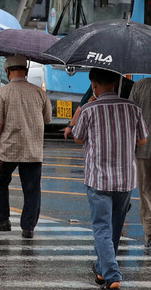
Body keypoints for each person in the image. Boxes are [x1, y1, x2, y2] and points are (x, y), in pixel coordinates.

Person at [72, 68, 148, 289]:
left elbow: (78, 138)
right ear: (116, 82)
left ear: (94, 84)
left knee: (102, 229)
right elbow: (143, 141)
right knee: (114, 227)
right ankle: (102, 269)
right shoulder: (133, 108)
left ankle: (112, 275)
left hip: (99, 179)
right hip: (125, 180)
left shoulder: (89, 109)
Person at [0, 55, 51, 238]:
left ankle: (2, 220)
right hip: (33, 149)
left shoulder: (3, 93)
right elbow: (47, 119)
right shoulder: (39, 92)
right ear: (27, 71)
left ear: (7, 71)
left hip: (8, 149)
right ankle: (28, 227)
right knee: (31, 188)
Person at [128, 77, 151, 247]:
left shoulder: (140, 86)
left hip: (144, 148)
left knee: (145, 192)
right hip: (143, 148)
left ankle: (150, 236)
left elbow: (129, 114)